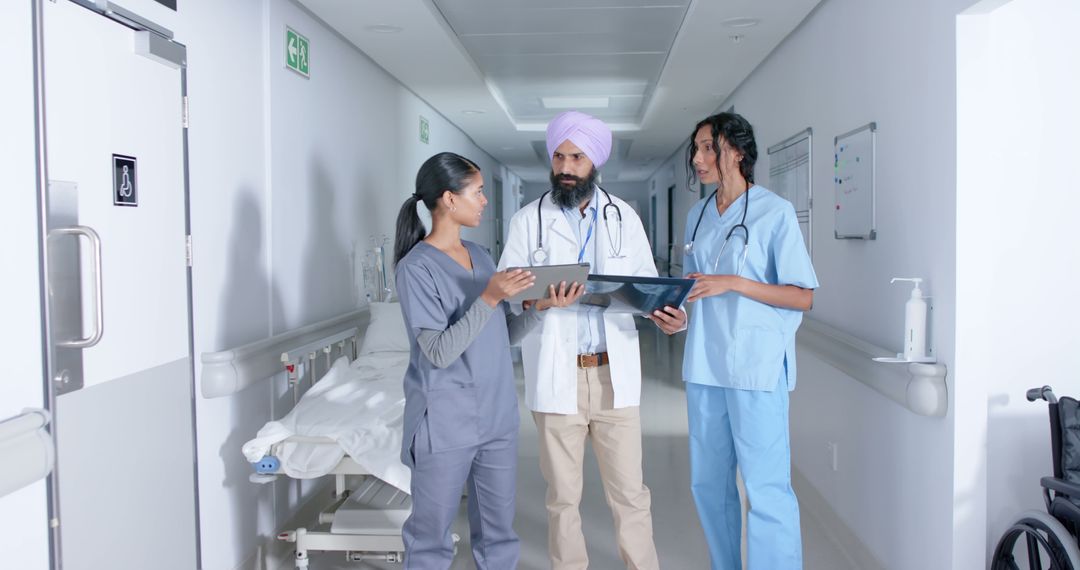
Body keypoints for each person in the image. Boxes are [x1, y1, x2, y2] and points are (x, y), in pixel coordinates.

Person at [393, 152, 579, 569]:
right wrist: (491, 296)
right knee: (430, 541)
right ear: (449, 199)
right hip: (444, 423)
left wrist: (540, 308)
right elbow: (438, 351)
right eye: (477, 192)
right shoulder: (417, 268)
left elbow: (500, 337)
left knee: (499, 537)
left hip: (496, 419)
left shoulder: (481, 256)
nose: (484, 201)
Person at [651, 112, 819, 569]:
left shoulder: (774, 212)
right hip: (705, 365)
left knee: (766, 489)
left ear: (738, 152)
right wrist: (677, 319)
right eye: (696, 149)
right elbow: (697, 291)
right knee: (708, 485)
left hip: (755, 368)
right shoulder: (699, 215)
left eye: (710, 147)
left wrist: (735, 282)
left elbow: (802, 296)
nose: (698, 158)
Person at [498, 111, 663, 570]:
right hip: (557, 373)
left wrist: (664, 310)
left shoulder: (623, 217)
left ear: (595, 163)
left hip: (613, 373)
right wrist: (539, 304)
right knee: (562, 498)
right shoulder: (527, 222)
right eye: (558, 156)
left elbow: (647, 285)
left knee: (630, 493)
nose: (565, 167)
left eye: (577, 157)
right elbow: (506, 296)